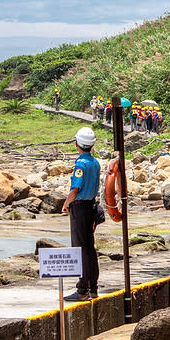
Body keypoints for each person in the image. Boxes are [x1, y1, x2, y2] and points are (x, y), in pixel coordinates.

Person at [62, 127, 101, 301]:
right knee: (90, 248)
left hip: (79, 208)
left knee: (80, 247)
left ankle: (82, 289)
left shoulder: (80, 164)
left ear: (77, 143)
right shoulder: (95, 163)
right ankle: (93, 286)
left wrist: (66, 204)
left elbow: (75, 189)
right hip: (91, 207)